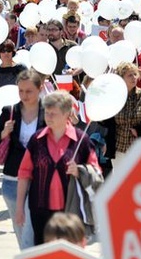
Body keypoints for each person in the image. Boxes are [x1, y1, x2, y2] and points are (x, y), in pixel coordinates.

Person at [15, 91, 101, 246]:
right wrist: (19, 207)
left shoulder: (82, 141)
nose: (48, 117)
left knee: (68, 255)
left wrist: (80, 170)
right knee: (43, 253)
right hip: (40, 210)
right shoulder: (37, 140)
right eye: (47, 113)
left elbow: (97, 173)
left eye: (53, 113)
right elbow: (24, 174)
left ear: (67, 113)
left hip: (71, 212)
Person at [0, 69, 48, 249]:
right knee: (21, 228)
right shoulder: (10, 111)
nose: (24, 95)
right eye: (20, 91)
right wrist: (4, 132)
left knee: (34, 228)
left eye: (29, 91)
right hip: (13, 179)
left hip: (40, 179)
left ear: (40, 88)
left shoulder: (49, 111)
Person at [104, 62, 141, 169]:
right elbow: (105, 121)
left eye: (135, 74)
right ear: (121, 78)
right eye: (129, 75)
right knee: (120, 182)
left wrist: (140, 131)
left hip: (139, 148)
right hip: (119, 148)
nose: (134, 78)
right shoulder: (113, 97)